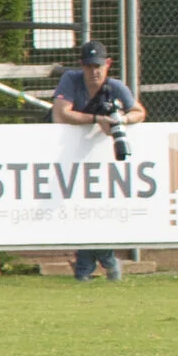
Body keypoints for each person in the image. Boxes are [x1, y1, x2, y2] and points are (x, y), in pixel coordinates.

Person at [50, 39, 144, 280]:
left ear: (108, 64)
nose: (94, 71)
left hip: (101, 163)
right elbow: (60, 114)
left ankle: (87, 269)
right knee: (78, 210)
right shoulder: (71, 80)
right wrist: (96, 119)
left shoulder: (115, 87)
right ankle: (106, 263)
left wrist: (121, 119)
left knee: (93, 212)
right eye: (89, 66)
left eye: (98, 66)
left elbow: (139, 112)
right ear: (81, 65)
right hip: (67, 159)